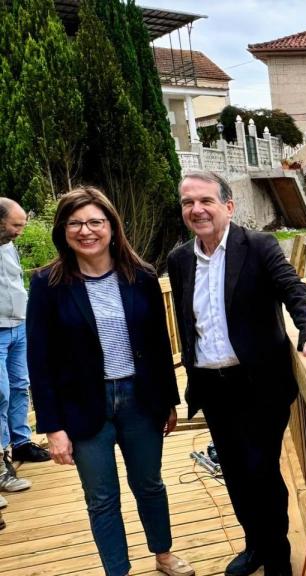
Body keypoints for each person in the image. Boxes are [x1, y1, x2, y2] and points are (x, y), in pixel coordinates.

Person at [167, 171, 306, 576]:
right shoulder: (179, 259)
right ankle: (255, 546)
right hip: (211, 385)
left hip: (260, 384)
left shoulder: (258, 246)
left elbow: (294, 290)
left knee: (261, 471)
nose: (197, 209)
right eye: (188, 202)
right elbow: (187, 320)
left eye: (206, 200)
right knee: (235, 473)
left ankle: (277, 556)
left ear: (228, 206)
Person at [26, 187, 194, 576]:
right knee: (101, 498)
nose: (86, 231)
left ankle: (163, 553)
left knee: (149, 484)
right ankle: (117, 570)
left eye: (95, 222)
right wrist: (52, 427)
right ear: (62, 230)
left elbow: (157, 344)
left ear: (112, 228)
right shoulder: (47, 285)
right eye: (75, 223)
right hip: (84, 408)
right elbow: (40, 360)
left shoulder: (141, 277)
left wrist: (168, 401)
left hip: (140, 400)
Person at [0, 198, 47, 500]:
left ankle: (21, 443)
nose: (20, 231)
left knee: (20, 387)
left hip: (19, 326)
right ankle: (3, 464)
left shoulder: (8, 245)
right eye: (16, 225)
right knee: (0, 394)